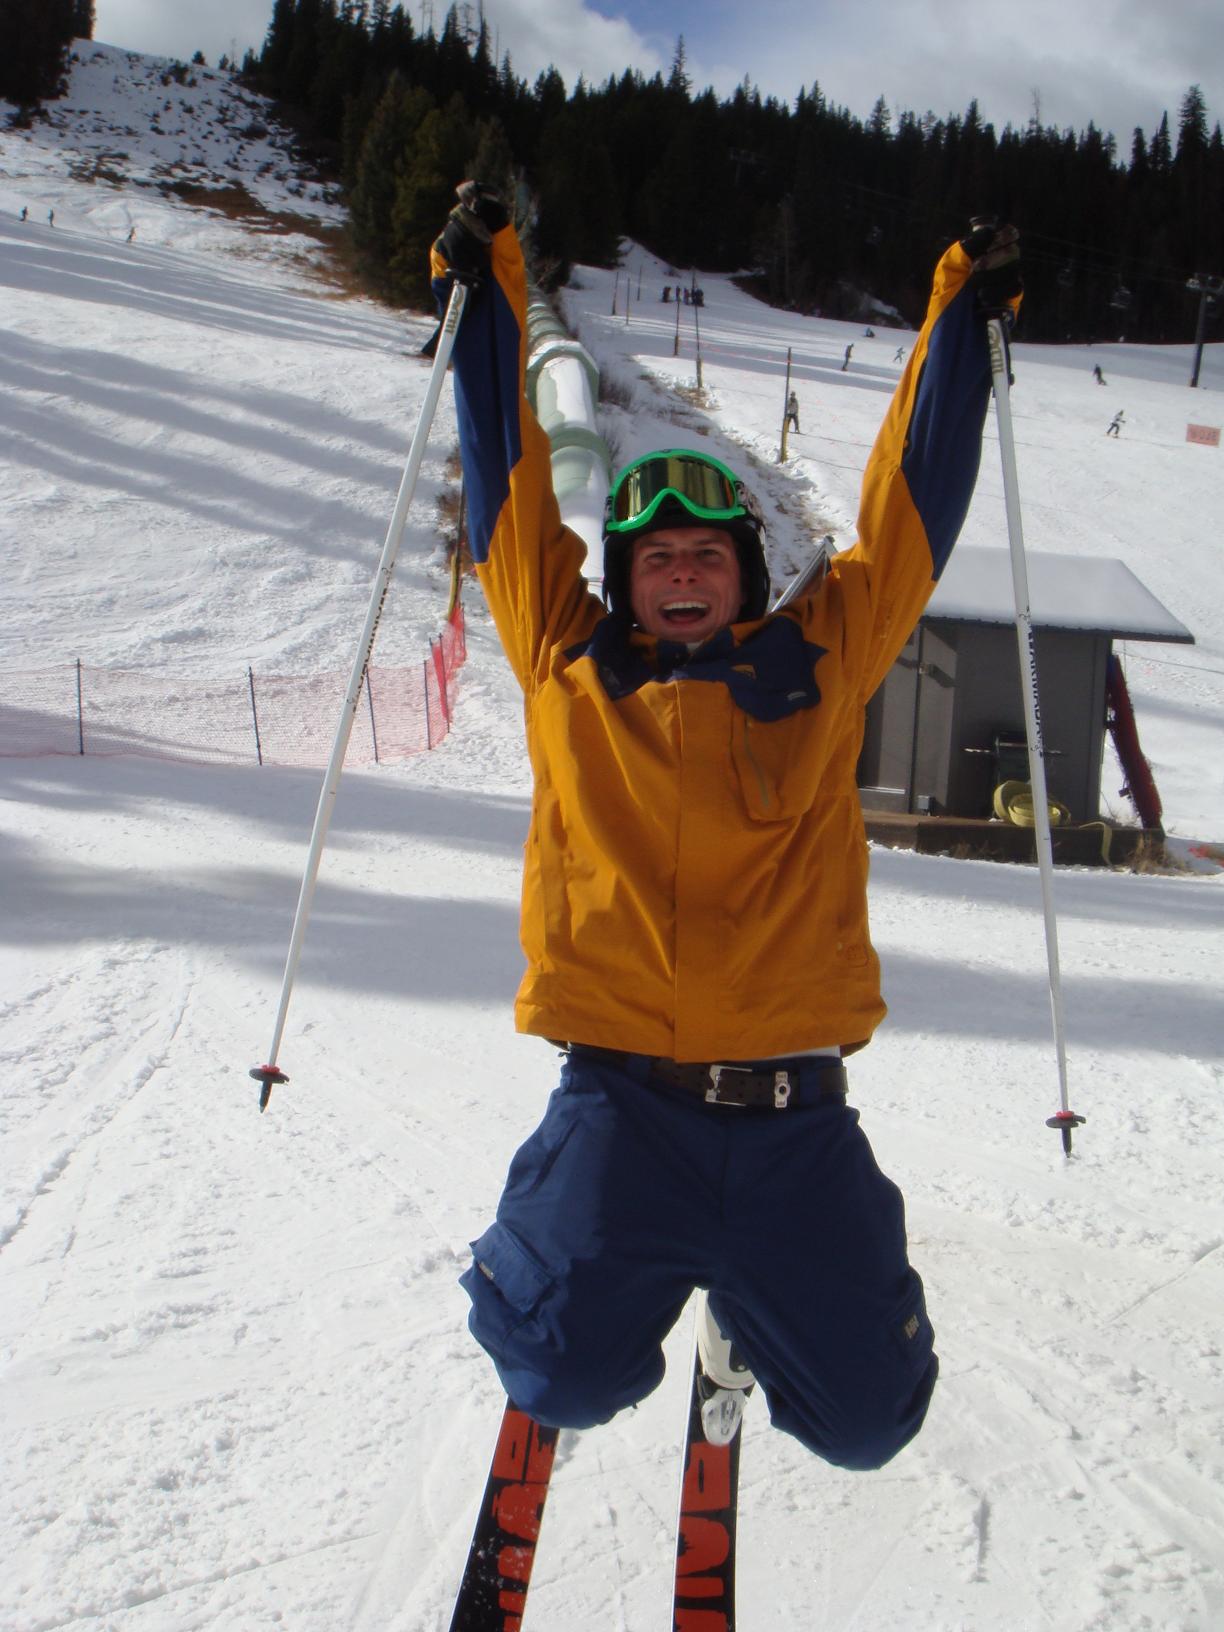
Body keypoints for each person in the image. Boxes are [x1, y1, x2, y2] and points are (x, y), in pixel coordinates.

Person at [431, 185, 1020, 1469]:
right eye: (655, 556)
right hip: (622, 1110)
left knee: (871, 1423)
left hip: (796, 1118)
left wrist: (960, 311)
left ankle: (750, 1313)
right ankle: (605, 1298)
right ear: (625, 582)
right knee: (558, 1374)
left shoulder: (823, 661)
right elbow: (508, 484)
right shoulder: (565, 658)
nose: (683, 569)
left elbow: (912, 509)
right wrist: (489, 283)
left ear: (746, 575)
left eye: (706, 551)